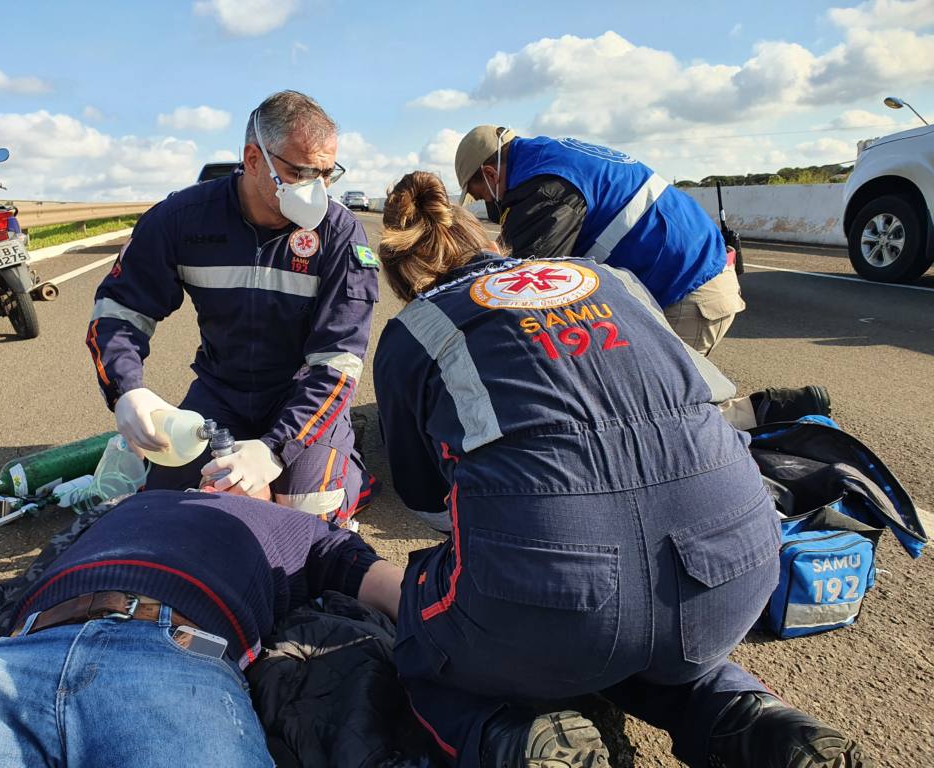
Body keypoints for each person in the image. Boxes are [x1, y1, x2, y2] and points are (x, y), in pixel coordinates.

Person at [372, 171, 871, 768]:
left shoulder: (415, 330)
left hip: (553, 604)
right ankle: (753, 720)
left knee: (427, 637)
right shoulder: (616, 281)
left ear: (406, 275)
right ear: (488, 241)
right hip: (735, 570)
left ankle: (509, 736)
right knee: (647, 631)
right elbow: (710, 404)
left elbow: (429, 505)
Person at [0, 490, 402, 767]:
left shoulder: (301, 529)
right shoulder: (116, 508)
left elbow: (401, 591)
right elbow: (3, 599)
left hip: (172, 659)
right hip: (13, 657)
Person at [86, 90, 380, 523]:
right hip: (222, 391)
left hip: (301, 395)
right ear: (254, 158)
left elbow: (338, 363)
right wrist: (126, 390)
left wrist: (275, 448)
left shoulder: (339, 234)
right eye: (300, 172)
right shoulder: (182, 219)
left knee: (305, 517)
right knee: (173, 511)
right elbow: (119, 310)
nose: (315, 189)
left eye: (326, 173)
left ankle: (346, 465)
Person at [454, 125, 830, 429]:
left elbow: (528, 282)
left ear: (489, 173)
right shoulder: (556, 157)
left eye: (482, 194)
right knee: (650, 397)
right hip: (695, 279)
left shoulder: (545, 187)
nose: (492, 203)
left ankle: (775, 416)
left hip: (688, 295)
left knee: (645, 414)